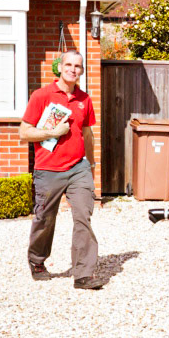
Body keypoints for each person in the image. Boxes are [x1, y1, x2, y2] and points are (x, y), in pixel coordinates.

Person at [19, 49, 100, 289]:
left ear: (82, 70)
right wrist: (53, 132)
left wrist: (91, 164)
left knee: (83, 216)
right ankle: (37, 260)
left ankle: (83, 274)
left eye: (78, 66)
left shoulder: (84, 99)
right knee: (45, 218)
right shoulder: (42, 95)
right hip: (48, 169)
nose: (73, 69)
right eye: (69, 65)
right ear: (60, 67)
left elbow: (87, 134)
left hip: (78, 167)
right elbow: (24, 132)